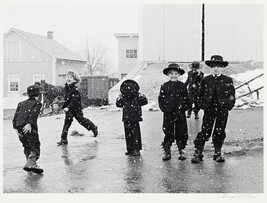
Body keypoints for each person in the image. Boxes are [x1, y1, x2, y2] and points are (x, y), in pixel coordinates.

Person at [191, 55, 236, 163]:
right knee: (205, 131)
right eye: (214, 66)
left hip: (222, 110)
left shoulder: (227, 80)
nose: (216, 68)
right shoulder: (206, 80)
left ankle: (217, 153)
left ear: (222, 67)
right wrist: (203, 105)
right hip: (209, 109)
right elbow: (200, 95)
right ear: (210, 67)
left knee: (219, 131)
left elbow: (232, 95)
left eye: (218, 66)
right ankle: (198, 152)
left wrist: (228, 106)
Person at [158, 63, 190, 161]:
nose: (173, 75)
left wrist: (183, 107)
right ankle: (167, 152)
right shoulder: (164, 86)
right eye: (171, 73)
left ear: (179, 75)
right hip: (168, 113)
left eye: (176, 73)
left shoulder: (182, 86)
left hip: (180, 113)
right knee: (168, 132)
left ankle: (181, 150)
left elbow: (187, 99)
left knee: (181, 132)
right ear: (168, 75)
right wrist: (164, 108)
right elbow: (161, 99)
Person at [57, 70, 98, 145]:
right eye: (68, 77)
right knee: (67, 123)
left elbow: (74, 101)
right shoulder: (66, 88)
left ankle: (93, 127)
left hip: (76, 109)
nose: (69, 78)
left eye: (71, 77)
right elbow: (67, 100)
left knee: (81, 120)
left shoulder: (75, 90)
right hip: (69, 109)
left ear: (75, 80)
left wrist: (68, 107)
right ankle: (63, 139)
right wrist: (63, 106)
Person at [13, 84, 44, 174]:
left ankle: (29, 163)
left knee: (26, 146)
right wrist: (29, 123)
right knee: (35, 146)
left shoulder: (21, 104)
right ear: (38, 95)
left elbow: (15, 117)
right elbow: (34, 114)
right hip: (29, 127)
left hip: (19, 127)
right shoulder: (37, 103)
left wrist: (16, 128)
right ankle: (31, 163)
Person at [116, 79, 148, 156]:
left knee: (129, 134)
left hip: (128, 117)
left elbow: (118, 104)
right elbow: (145, 101)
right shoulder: (136, 96)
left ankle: (132, 148)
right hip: (134, 117)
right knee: (134, 133)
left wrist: (120, 96)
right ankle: (134, 149)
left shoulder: (125, 96)